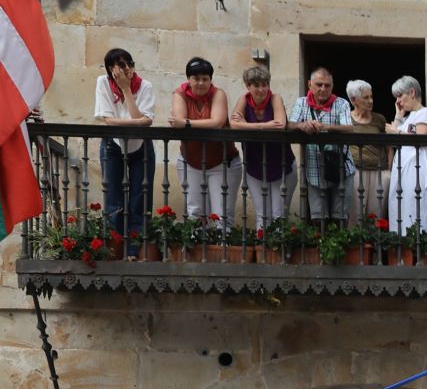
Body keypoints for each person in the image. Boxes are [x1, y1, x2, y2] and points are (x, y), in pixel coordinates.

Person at [94, 48, 156, 249]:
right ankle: (116, 249)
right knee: (114, 199)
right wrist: (139, 122)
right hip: (113, 144)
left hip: (141, 147)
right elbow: (108, 120)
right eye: (121, 65)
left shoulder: (145, 86)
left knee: (140, 199)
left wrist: (127, 89)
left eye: (130, 63)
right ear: (111, 69)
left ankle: (135, 250)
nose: (127, 68)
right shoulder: (102, 83)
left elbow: (143, 122)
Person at [168, 56, 239, 223]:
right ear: (188, 79)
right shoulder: (179, 94)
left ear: (210, 80)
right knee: (195, 213)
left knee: (222, 215)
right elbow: (178, 119)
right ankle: (198, 248)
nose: (200, 83)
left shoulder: (218, 94)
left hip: (222, 162)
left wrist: (186, 123)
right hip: (190, 161)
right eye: (196, 78)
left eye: (205, 79)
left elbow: (217, 122)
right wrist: (186, 123)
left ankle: (223, 249)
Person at [290, 67, 355, 224]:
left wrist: (325, 127)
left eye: (327, 85)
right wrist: (302, 125)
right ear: (309, 84)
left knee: (340, 218)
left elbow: (349, 128)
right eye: (319, 84)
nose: (323, 89)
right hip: (314, 169)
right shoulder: (301, 103)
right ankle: (321, 249)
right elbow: (290, 124)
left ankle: (339, 248)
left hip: (341, 168)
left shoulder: (341, 104)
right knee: (318, 219)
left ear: (332, 86)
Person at [232, 66, 294, 226]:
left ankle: (278, 250)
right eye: (256, 85)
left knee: (279, 215)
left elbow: (280, 124)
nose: (261, 89)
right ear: (248, 86)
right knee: (262, 215)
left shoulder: (275, 99)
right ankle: (263, 250)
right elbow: (233, 124)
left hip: (282, 166)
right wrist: (262, 127)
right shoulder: (244, 100)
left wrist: (247, 125)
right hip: (254, 167)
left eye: (265, 84)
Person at [386, 77, 427, 236]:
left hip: (418, 166)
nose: (398, 101)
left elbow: (421, 136)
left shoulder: (425, 112)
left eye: (400, 95)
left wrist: (396, 131)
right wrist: (398, 116)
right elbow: (394, 139)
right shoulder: (407, 117)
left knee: (417, 205)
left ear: (412, 92)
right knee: (400, 206)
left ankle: (419, 249)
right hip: (402, 167)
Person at [342, 80, 389, 223]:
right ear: (354, 100)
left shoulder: (379, 119)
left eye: (371, 96)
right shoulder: (345, 118)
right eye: (366, 97)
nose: (371, 101)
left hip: (380, 172)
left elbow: (388, 147)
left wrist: (390, 171)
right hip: (355, 172)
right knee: (354, 216)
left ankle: (374, 245)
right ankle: (355, 245)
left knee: (376, 216)